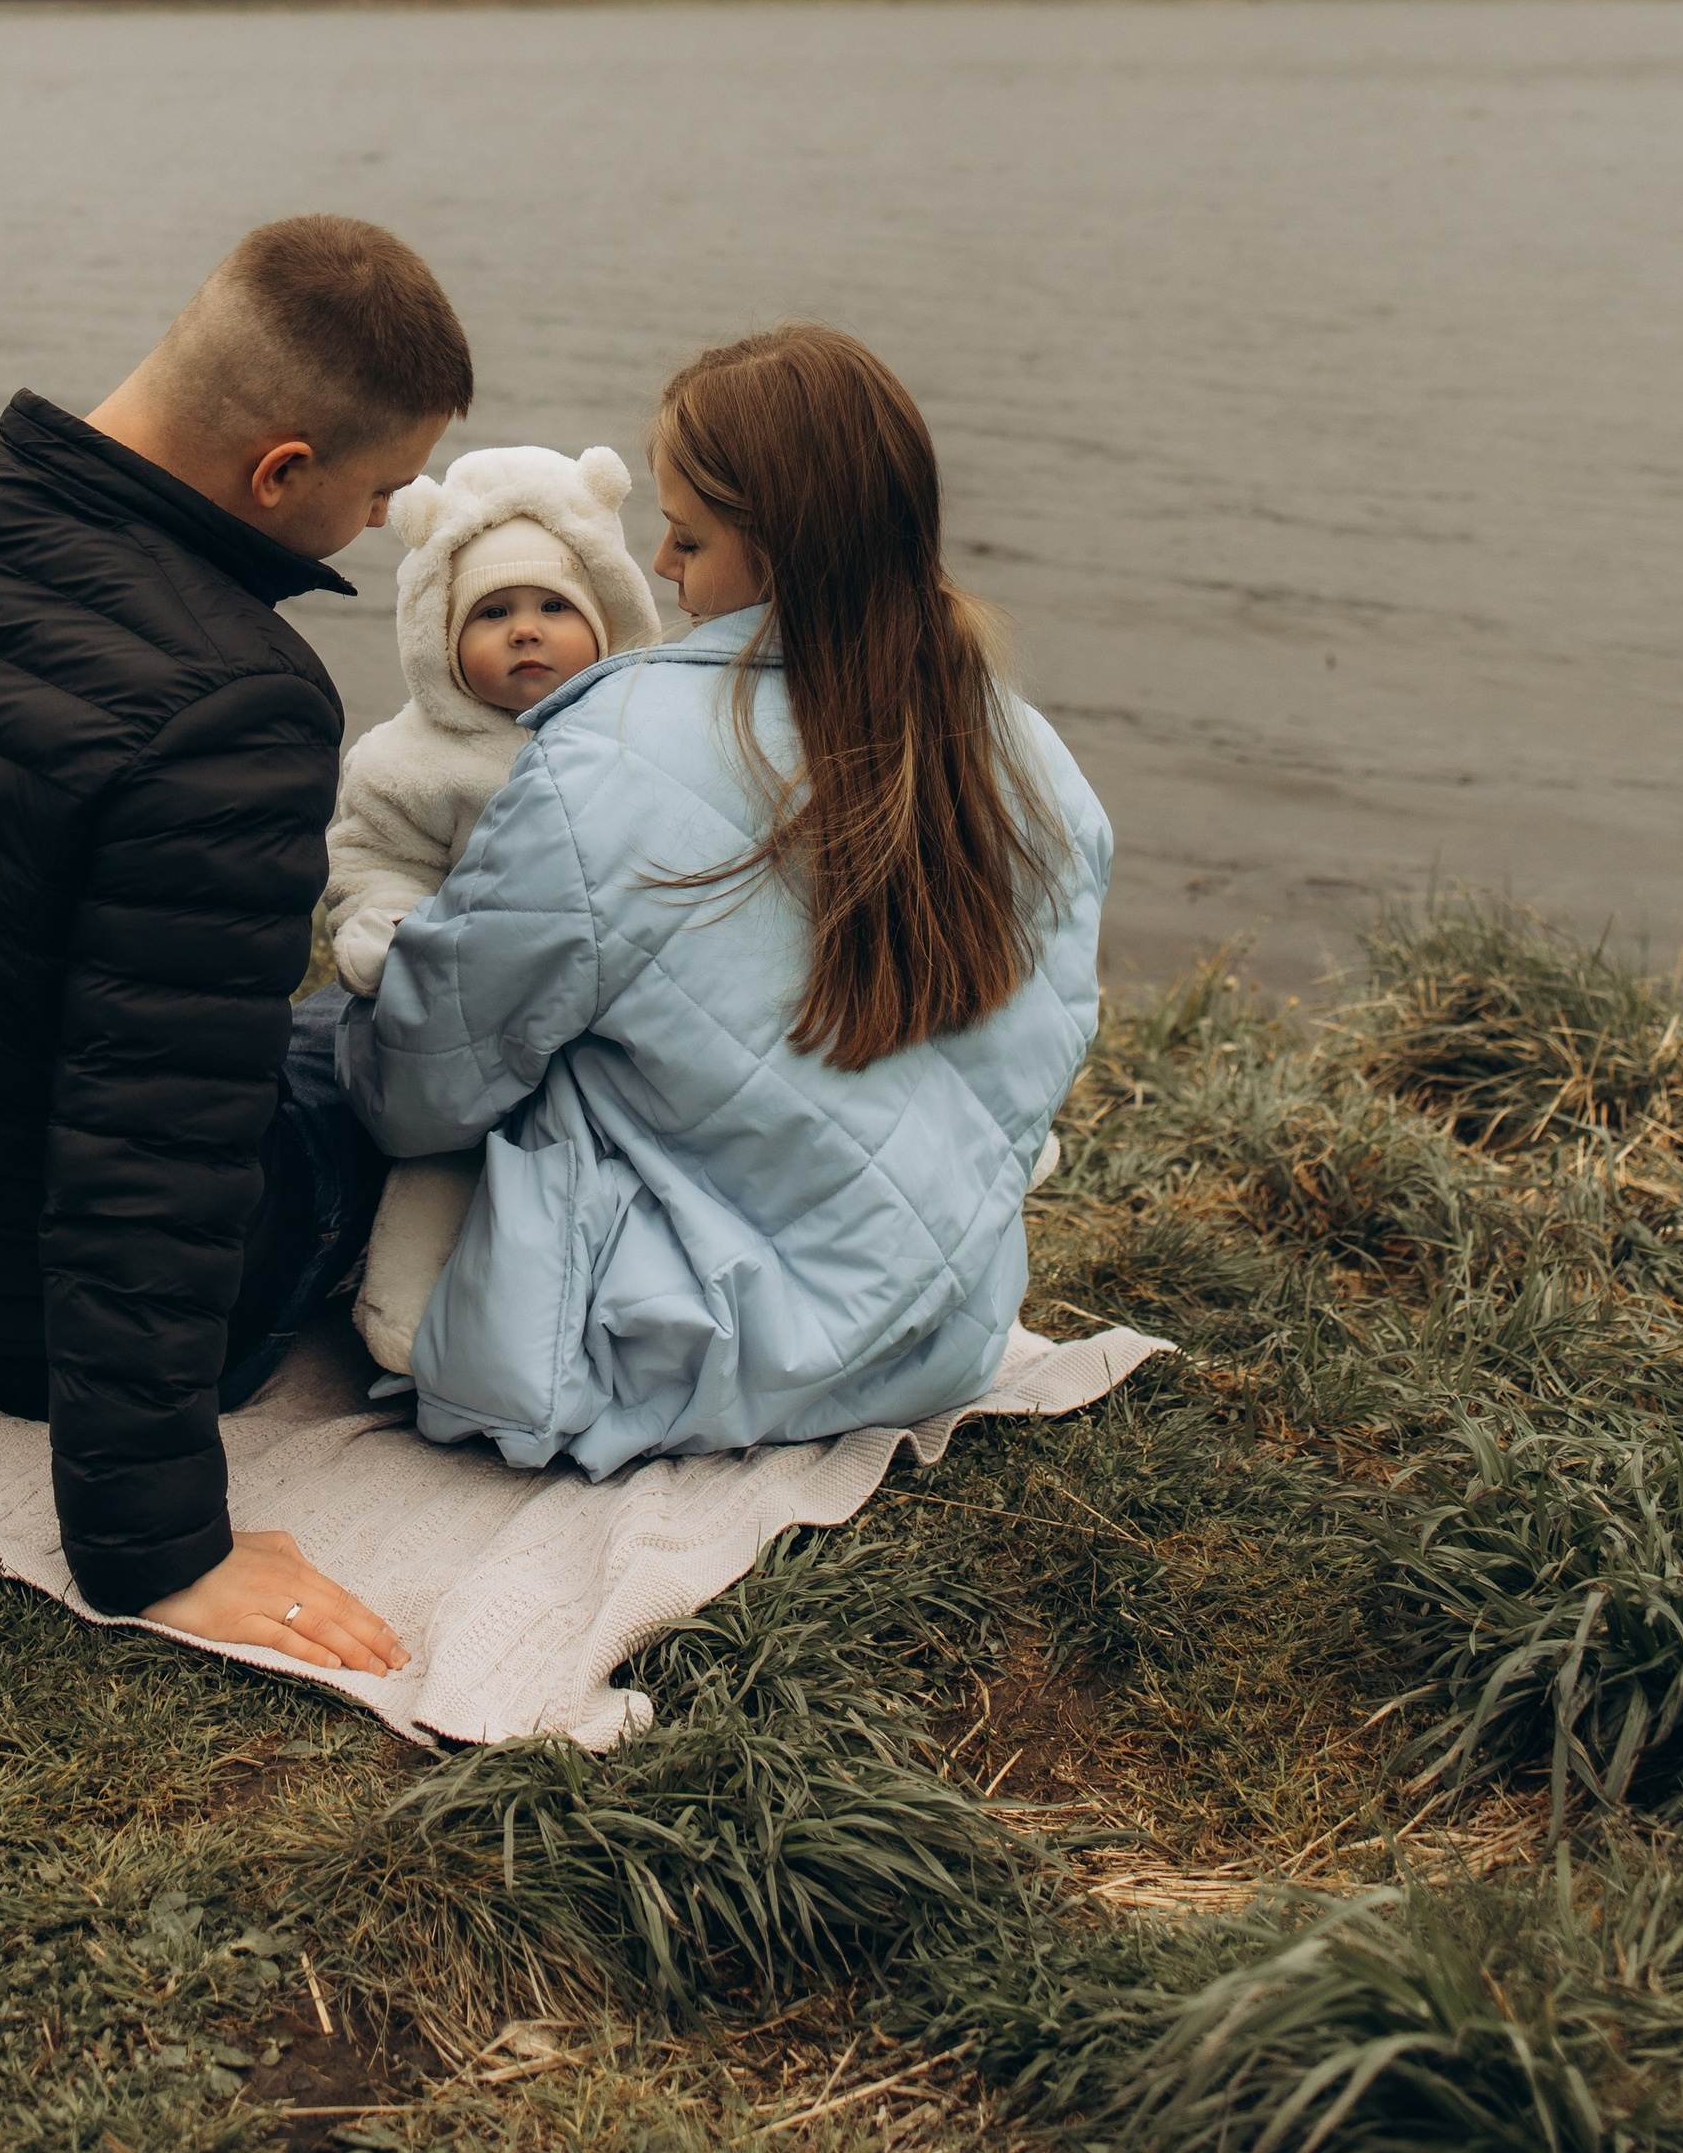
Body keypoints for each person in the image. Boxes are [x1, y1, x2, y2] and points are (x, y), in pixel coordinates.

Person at [0, 213, 471, 1673]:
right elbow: (156, 1152)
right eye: (380, 490)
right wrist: (157, 1545)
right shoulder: (239, 702)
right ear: (283, 471)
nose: (383, 524)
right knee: (383, 1046)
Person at [335, 324, 1109, 1473]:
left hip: (649, 1343)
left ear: (780, 542)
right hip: (937, 1335)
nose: (657, 565)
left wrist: (361, 1007)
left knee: (322, 1050)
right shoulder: (1028, 756)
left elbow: (419, 1096)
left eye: (686, 535)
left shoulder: (612, 750)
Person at [314, 440, 664, 1370]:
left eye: (555, 607)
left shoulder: (637, 737)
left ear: (610, 615)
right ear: (437, 630)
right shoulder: (413, 759)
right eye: (494, 611)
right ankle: (405, 1317)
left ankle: (593, 1313)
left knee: (597, 1170)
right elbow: (374, 855)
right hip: (469, 1006)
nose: (526, 630)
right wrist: (382, 925)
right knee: (444, 1161)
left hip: (608, 1010)